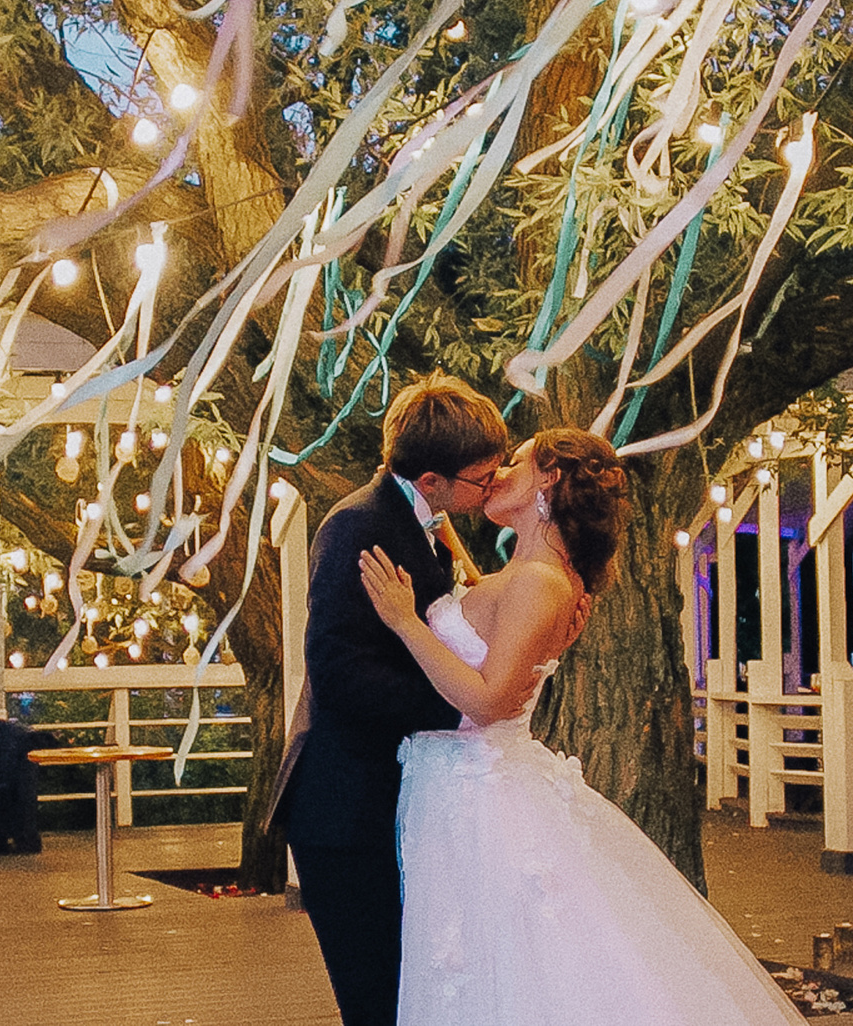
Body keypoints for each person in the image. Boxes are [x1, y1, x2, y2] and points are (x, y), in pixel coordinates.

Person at [359, 427, 800, 1025]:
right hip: (458, 790)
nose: (497, 472)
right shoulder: (530, 572)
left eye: (516, 461)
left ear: (549, 479)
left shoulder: (542, 582)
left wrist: (406, 621)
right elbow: (485, 619)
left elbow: (489, 702)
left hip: (481, 796)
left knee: (497, 970)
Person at [262, 374, 513, 1026]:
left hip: (395, 799)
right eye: (482, 479)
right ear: (431, 481)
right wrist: (462, 711)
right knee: (378, 1001)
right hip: (345, 806)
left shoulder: (420, 524)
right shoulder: (358, 527)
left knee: (412, 996)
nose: (490, 489)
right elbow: (338, 672)